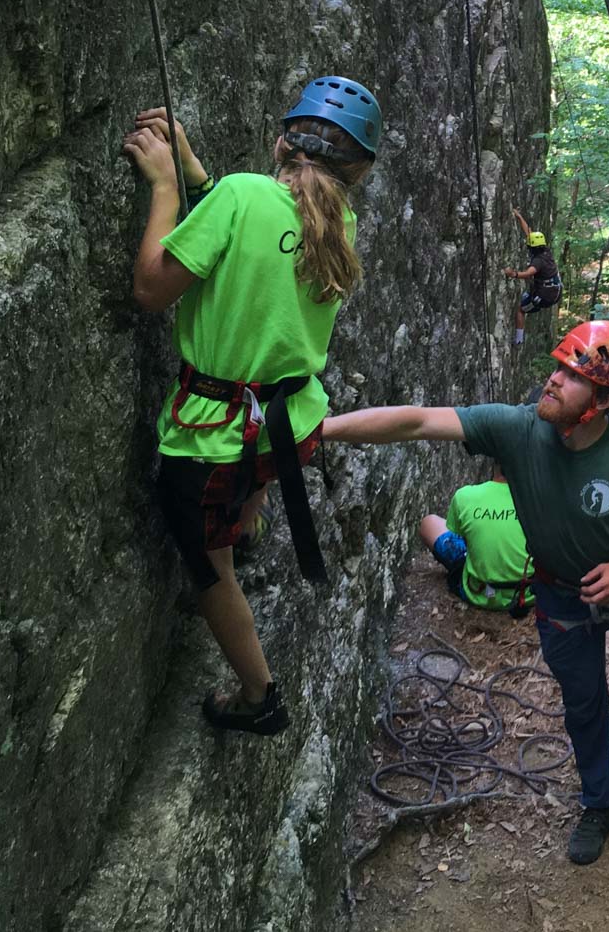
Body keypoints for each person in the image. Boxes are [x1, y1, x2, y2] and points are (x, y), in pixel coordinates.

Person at [322, 321, 609, 863]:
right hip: (560, 597)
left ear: (600, 399)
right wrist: (323, 429)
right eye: (557, 368)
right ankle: (600, 802)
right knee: (582, 701)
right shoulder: (517, 428)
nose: (551, 382)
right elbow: (417, 421)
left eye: (569, 377)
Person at [123, 74, 380, 736]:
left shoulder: (243, 196)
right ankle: (244, 523)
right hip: (288, 424)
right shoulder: (338, 222)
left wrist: (163, 186)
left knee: (207, 565)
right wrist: (196, 176)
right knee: (250, 484)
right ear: (360, 170)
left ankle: (259, 695)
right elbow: (256, 241)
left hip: (216, 437)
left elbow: (154, 287)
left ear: (279, 142)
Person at [418, 466, 534, 615]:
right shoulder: (542, 497)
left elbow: (462, 537)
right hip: (529, 594)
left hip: (477, 592)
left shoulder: (466, 496)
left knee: (429, 523)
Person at [505, 207, 562, 345]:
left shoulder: (538, 261)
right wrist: (519, 216)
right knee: (527, 297)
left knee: (520, 309)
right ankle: (529, 299)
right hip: (555, 291)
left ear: (532, 247)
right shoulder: (545, 251)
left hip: (545, 297)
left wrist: (513, 274)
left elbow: (529, 273)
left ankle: (518, 340)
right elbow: (529, 233)